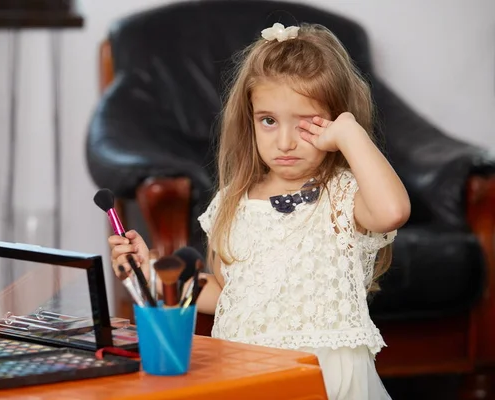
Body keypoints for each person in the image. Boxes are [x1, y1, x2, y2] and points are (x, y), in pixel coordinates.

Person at [109, 22, 410, 400]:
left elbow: (393, 210)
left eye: (305, 124)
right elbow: (224, 292)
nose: (284, 141)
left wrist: (352, 136)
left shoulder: (344, 194)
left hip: (324, 377)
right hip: (245, 371)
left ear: (334, 121)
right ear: (249, 119)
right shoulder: (233, 201)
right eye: (268, 121)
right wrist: (150, 270)